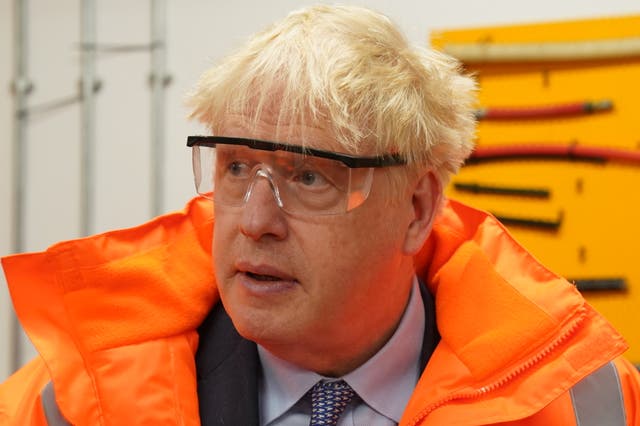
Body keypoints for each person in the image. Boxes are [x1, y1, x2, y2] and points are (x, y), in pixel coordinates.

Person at [1, 4, 639, 426]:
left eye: (308, 176)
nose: (255, 221)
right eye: (236, 169)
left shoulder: (587, 402)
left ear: (416, 208)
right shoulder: (72, 401)